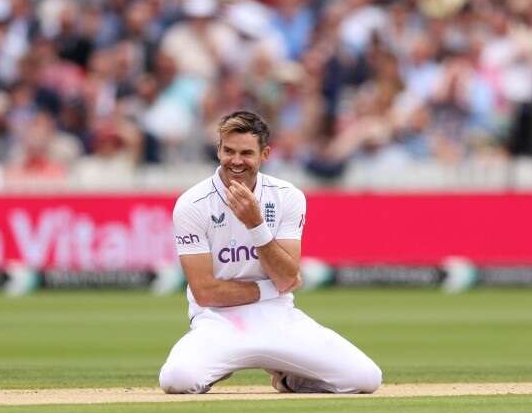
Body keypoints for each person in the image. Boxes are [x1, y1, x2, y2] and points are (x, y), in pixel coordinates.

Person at [159, 110, 382, 394]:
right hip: (219, 319)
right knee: (177, 379)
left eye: (246, 153)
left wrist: (256, 225)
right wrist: (270, 289)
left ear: (265, 154)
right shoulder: (192, 204)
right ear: (218, 150)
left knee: (365, 378)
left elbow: (287, 277)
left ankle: (289, 379)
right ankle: (217, 367)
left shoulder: (287, 196)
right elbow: (204, 292)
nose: (236, 161)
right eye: (228, 151)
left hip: (277, 316)